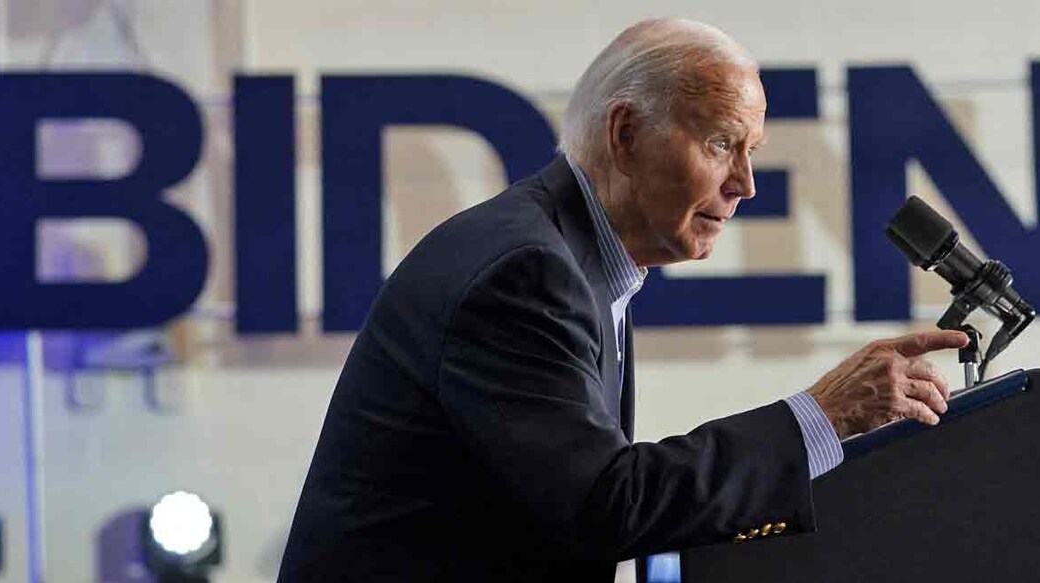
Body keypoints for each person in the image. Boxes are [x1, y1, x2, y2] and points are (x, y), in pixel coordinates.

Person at [277, 17, 968, 583]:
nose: (745, 184)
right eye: (721, 143)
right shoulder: (524, 272)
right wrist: (819, 416)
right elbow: (605, 502)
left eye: (750, 149)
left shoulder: (575, 256)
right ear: (625, 135)